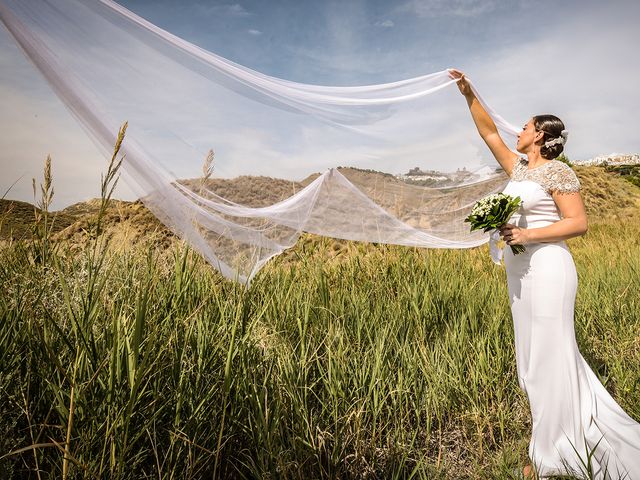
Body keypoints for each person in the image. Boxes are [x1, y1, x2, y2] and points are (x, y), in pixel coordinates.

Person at [449, 68, 640, 479]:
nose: (517, 130)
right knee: (534, 357)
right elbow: (488, 134)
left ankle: (552, 453)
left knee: (551, 352)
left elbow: (578, 223)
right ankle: (554, 431)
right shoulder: (519, 170)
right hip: (519, 272)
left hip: (550, 266)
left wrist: (527, 232)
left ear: (539, 135)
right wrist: (468, 93)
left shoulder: (559, 172)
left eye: (524, 126)